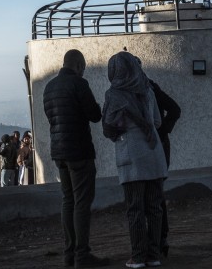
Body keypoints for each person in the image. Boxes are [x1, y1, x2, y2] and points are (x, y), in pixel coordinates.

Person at [43, 49, 109, 268]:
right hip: (79, 152)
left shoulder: (49, 87)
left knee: (68, 201)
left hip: (59, 152)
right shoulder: (79, 85)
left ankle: (69, 254)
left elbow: (51, 117)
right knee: (81, 203)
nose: (83, 72)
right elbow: (94, 115)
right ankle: (82, 256)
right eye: (83, 68)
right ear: (79, 65)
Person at [102, 51, 167, 269]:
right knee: (154, 207)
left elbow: (109, 127)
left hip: (131, 155)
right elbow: (157, 121)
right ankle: (154, 255)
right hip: (154, 153)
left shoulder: (114, 95)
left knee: (135, 208)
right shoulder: (147, 90)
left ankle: (138, 257)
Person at [147, 77, 180, 258]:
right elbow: (174, 109)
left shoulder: (149, 88)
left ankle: (159, 238)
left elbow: (175, 109)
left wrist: (161, 131)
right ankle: (160, 238)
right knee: (156, 193)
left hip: (156, 147)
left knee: (155, 193)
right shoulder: (150, 87)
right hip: (158, 146)